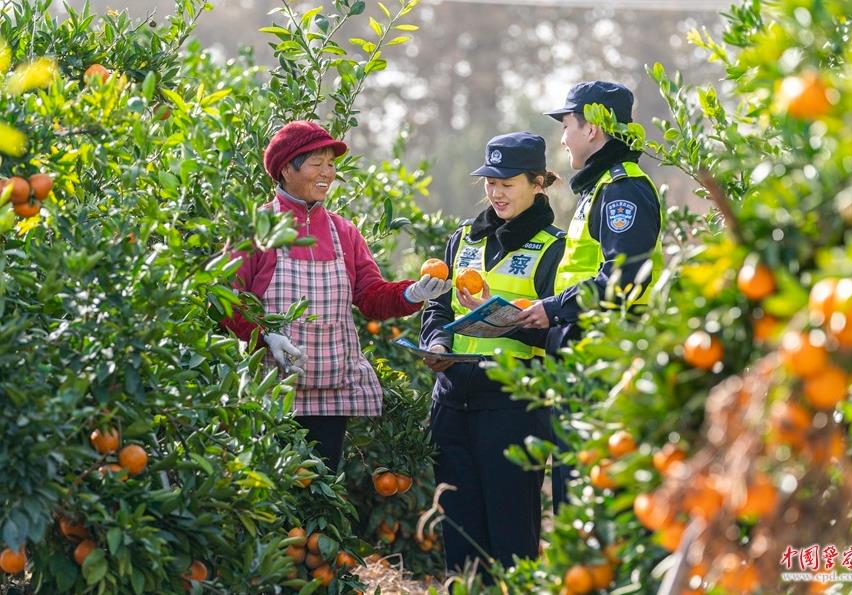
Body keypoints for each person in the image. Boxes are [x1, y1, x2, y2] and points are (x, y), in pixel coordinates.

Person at [221, 120, 452, 471]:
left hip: (331, 393)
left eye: (331, 164)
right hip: (272, 393)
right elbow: (224, 296)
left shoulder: (343, 231)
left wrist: (412, 292)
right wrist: (265, 335)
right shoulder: (256, 228)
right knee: (278, 496)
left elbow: (371, 296)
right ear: (286, 168)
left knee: (320, 494)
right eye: (317, 163)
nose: (327, 173)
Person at [420, 132, 566, 574]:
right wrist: (437, 342)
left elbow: (561, 330)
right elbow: (437, 304)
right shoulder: (463, 238)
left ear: (538, 183)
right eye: (490, 182)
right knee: (458, 534)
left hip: (513, 409)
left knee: (512, 537)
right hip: (452, 403)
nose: (496, 192)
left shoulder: (555, 248)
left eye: (507, 182)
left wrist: (505, 323)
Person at [517, 81, 663, 511]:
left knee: (592, 488)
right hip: (580, 349)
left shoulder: (622, 190)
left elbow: (623, 279)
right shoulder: (596, 189)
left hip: (602, 356)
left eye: (566, 125)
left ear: (593, 130)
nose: (562, 137)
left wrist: (554, 309)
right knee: (571, 483)